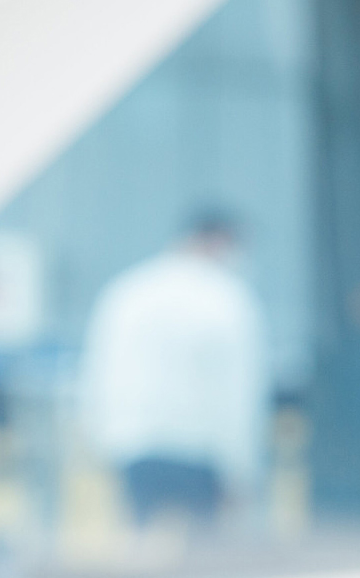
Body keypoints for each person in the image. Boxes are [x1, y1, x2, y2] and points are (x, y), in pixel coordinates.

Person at [78, 211, 267, 531]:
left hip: (133, 446)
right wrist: (243, 471)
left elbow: (99, 373)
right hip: (200, 452)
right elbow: (238, 393)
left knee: (141, 548)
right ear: (222, 243)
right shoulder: (228, 299)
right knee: (203, 559)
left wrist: (99, 443)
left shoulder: (128, 291)